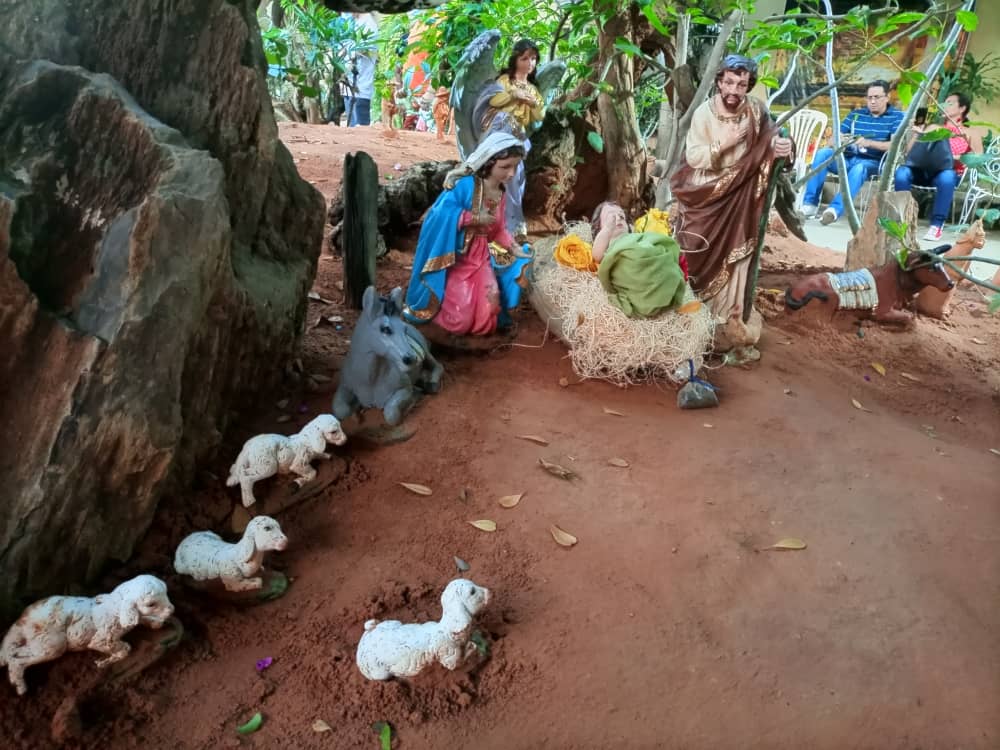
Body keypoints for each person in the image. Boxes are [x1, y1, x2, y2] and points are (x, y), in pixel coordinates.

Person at [669, 55, 793, 340]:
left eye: (742, 84)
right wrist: (724, 144)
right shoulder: (704, 113)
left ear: (748, 86)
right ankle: (691, 306)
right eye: (729, 82)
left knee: (737, 251)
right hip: (707, 192)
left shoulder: (756, 112)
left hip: (742, 195)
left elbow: (770, 140)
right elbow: (694, 156)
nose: (734, 90)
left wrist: (782, 146)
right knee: (694, 247)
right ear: (719, 82)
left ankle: (727, 314)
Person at [403, 132, 533, 336]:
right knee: (460, 319)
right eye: (505, 166)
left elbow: (497, 230)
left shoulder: (501, 193)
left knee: (489, 309)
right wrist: (471, 218)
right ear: (489, 162)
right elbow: (439, 214)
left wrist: (514, 248)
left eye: (515, 167)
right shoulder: (466, 185)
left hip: (479, 259)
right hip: (453, 258)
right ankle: (436, 320)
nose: (511, 173)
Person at [801, 80, 904, 224]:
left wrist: (869, 143)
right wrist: (842, 140)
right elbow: (831, 142)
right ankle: (809, 204)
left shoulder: (897, 116)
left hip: (873, 162)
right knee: (822, 154)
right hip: (847, 158)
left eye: (877, 97)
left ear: (887, 97)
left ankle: (834, 210)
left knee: (859, 168)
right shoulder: (856, 115)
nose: (872, 101)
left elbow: (894, 146)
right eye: (869, 98)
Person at [472, 39, 546, 240]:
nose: (529, 63)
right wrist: (514, 95)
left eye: (533, 59)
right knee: (492, 172)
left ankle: (513, 223)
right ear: (515, 60)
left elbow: (539, 115)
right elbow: (494, 100)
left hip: (518, 137)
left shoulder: (532, 89)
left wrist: (531, 102)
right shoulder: (505, 81)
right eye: (525, 58)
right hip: (499, 133)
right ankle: (483, 217)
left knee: (516, 176)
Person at [894, 91, 983, 241]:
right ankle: (903, 220)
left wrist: (954, 157)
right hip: (922, 171)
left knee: (947, 177)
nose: (944, 106)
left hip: (946, 172)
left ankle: (936, 225)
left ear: (962, 108)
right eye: (944, 102)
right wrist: (917, 134)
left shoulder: (970, 133)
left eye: (950, 103)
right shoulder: (933, 127)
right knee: (902, 172)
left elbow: (978, 159)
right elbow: (910, 155)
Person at [587, 202, 687, 318]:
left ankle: (666, 287)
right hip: (632, 269)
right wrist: (608, 229)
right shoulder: (607, 243)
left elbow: (654, 241)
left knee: (661, 254)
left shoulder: (636, 237)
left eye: (621, 216)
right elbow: (596, 255)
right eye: (611, 217)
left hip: (652, 261)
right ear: (599, 227)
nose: (617, 219)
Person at [340, 13, 378, 127]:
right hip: (348, 85)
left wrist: (345, 52)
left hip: (360, 87)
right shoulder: (352, 21)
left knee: (359, 128)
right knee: (351, 127)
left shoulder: (368, 23)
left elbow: (364, 50)